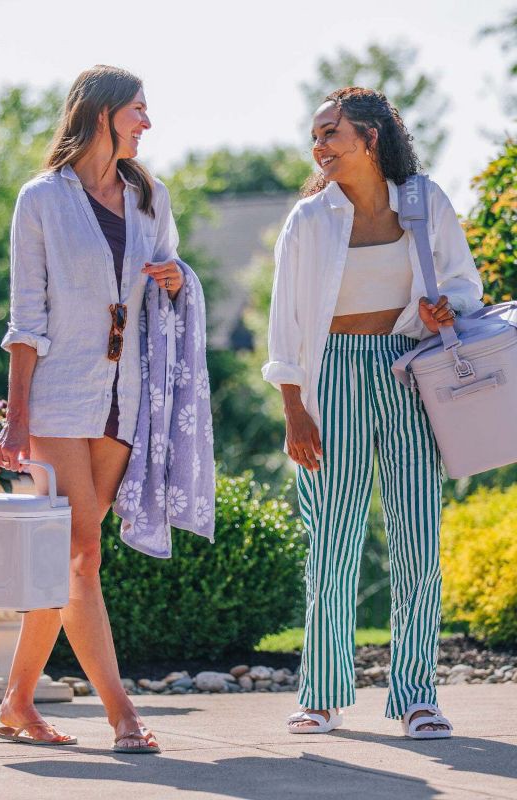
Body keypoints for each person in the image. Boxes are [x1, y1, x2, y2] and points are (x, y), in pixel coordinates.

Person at [262, 87, 483, 738]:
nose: (319, 146)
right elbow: (286, 324)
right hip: (332, 375)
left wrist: (443, 311)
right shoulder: (309, 219)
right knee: (332, 541)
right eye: (316, 136)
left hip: (410, 372)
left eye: (331, 133)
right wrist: (294, 410)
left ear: (370, 138)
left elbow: (465, 287)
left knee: (419, 541)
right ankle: (321, 695)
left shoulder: (425, 203)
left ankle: (418, 696)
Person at [0, 64, 184, 753]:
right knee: (82, 551)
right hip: (58, 395)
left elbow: (172, 275)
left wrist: (172, 276)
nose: (147, 122)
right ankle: (121, 713)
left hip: (125, 398)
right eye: (138, 109)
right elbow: (25, 318)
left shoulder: (150, 197)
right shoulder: (40, 199)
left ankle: (17, 702)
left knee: (73, 559)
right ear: (102, 112)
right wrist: (16, 417)